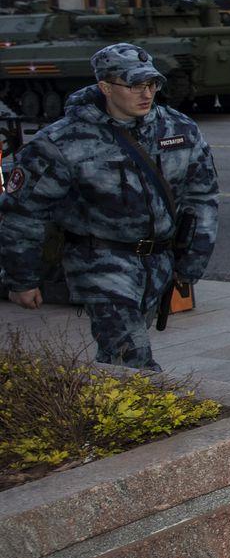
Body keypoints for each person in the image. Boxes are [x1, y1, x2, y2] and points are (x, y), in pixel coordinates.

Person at [0, 44, 217, 369]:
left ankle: (109, 403)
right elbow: (23, 212)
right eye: (134, 85)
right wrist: (22, 279)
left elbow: (203, 196)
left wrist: (192, 261)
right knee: (132, 354)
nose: (146, 94)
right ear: (105, 86)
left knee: (118, 353)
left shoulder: (178, 129)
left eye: (152, 84)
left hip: (157, 260)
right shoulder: (62, 141)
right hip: (99, 260)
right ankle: (141, 412)